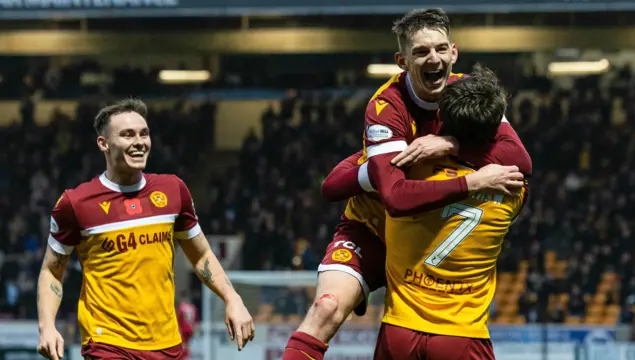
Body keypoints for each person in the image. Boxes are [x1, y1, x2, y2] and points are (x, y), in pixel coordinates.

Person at [282, 8, 531, 360]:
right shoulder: (386, 105)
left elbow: (521, 160)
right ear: (402, 61)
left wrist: (450, 144)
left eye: (441, 49)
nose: (434, 59)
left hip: (424, 232)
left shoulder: (469, 97)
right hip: (374, 226)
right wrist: (471, 178)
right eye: (421, 52)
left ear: (454, 52)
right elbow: (384, 194)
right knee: (326, 307)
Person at [36, 99, 254, 360]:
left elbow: (201, 255)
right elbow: (52, 270)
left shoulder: (173, 191)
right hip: (107, 342)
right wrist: (47, 327)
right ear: (103, 144)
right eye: (127, 135)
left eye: (144, 133)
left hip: (167, 342)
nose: (139, 142)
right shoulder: (75, 203)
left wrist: (233, 298)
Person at [375, 64, 527, 360]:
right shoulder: (515, 189)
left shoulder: (410, 171)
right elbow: (521, 159)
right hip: (463, 335)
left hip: (399, 331)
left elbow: (333, 185)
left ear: (441, 118)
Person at [177, 291, 200, 359]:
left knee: (183, 346)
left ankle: (184, 357)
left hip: (183, 329)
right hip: (190, 329)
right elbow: (196, 320)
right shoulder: (193, 307)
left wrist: (179, 330)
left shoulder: (181, 307)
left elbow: (178, 319)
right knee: (188, 346)